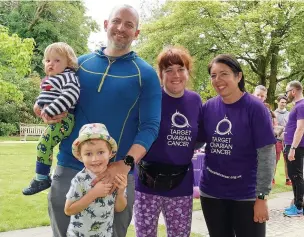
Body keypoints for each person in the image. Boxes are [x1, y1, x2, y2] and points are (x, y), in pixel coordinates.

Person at [40, 5, 161, 237]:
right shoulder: (78, 65)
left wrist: (124, 164)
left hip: (115, 174)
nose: (121, 28)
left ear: (136, 33)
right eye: (116, 21)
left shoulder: (145, 74)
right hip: (69, 168)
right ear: (106, 25)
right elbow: (56, 98)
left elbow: (150, 127)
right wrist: (49, 111)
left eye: (129, 24)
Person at [199, 54, 276, 237]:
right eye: (213, 75)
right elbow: (196, 141)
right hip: (212, 194)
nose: (218, 80)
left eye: (224, 74)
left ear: (238, 76)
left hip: (246, 196)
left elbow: (267, 154)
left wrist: (262, 197)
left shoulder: (256, 108)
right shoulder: (208, 107)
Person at [133, 46, 204, 237]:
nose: (176, 75)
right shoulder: (150, 98)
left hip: (181, 184)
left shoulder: (195, 100)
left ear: (188, 72)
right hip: (146, 182)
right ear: (160, 74)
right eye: (169, 70)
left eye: (181, 69)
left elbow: (199, 138)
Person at [23, 42, 80, 195]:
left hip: (64, 120)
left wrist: (50, 110)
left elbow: (71, 95)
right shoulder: (51, 78)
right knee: (44, 144)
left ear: (68, 62)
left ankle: (42, 178)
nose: (51, 64)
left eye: (57, 60)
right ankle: (42, 177)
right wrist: (38, 104)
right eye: (48, 60)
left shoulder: (68, 76)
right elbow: (46, 95)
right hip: (56, 119)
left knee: (44, 144)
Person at [64, 123, 127, 236]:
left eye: (101, 152)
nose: (95, 159)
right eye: (88, 154)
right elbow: (68, 210)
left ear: (110, 154)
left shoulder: (115, 177)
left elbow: (119, 208)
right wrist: (94, 193)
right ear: (80, 156)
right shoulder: (80, 179)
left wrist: (121, 192)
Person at [283, 81, 304, 217]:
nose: (286, 95)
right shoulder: (297, 106)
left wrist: (293, 149)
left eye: (286, 92)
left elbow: (300, 128)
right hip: (291, 145)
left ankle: (298, 207)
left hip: (295, 146)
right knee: (294, 175)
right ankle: (298, 205)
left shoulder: (301, 106)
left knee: (296, 176)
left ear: (293, 91)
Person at [274, 95, 291, 186]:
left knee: (287, 160)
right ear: (278, 102)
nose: (283, 104)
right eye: (282, 102)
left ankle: (288, 179)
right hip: (276, 140)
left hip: (287, 140)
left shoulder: (289, 114)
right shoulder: (273, 113)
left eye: (285, 102)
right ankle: (272, 179)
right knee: (274, 160)